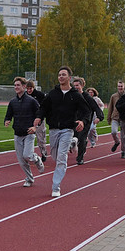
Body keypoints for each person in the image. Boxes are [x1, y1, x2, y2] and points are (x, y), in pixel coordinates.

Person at [34, 66, 91, 197]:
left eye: (63, 75)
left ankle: (56, 186)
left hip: (67, 129)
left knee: (61, 158)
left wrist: (83, 121)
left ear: (69, 78)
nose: (61, 77)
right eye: (59, 75)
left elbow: (86, 111)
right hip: (54, 130)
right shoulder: (53, 94)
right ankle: (72, 144)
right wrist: (38, 117)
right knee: (54, 156)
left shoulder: (75, 95)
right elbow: (43, 107)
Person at [4, 77, 45, 187]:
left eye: (18, 85)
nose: (16, 87)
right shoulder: (13, 102)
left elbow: (40, 115)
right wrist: (7, 121)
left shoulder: (32, 101)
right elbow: (8, 115)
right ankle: (29, 179)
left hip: (29, 133)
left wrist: (35, 127)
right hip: (17, 133)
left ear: (24, 87)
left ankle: (37, 159)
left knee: (27, 156)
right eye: (15, 85)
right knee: (22, 161)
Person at [71, 77, 104, 165]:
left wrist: (99, 117)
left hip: (86, 121)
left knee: (81, 138)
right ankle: (81, 145)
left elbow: (96, 108)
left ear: (82, 86)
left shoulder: (87, 97)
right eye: (74, 86)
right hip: (74, 120)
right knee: (74, 137)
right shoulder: (72, 96)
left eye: (77, 85)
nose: (75, 87)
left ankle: (80, 158)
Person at [25, 80, 47, 162]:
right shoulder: (25, 95)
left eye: (30, 88)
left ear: (33, 88)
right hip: (28, 119)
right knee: (27, 137)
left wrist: (41, 117)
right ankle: (28, 154)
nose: (29, 90)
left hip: (39, 119)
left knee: (40, 138)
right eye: (27, 89)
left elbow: (44, 107)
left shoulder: (40, 95)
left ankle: (43, 153)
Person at [105, 80, 125, 154]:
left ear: (124, 87)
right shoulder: (114, 96)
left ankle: (123, 151)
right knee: (113, 132)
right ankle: (117, 142)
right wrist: (109, 118)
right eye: (119, 86)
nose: (120, 88)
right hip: (115, 117)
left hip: (124, 118)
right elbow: (110, 107)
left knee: (123, 136)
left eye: (121, 86)